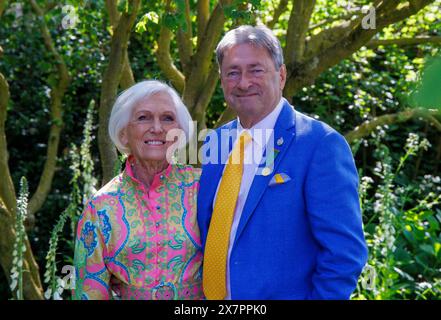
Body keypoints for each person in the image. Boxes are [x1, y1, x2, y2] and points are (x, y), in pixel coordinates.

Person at [197, 25, 368, 300]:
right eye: (233, 72)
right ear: (221, 80)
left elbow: (344, 255)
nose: (243, 82)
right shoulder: (215, 142)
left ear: (282, 75)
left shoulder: (319, 144)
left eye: (256, 70)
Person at [73, 80, 204, 300]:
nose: (157, 128)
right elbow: (89, 290)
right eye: (143, 118)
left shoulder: (203, 188)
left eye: (167, 118)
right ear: (124, 133)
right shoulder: (101, 206)